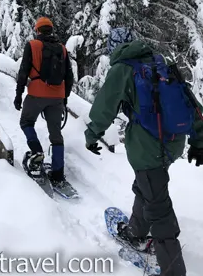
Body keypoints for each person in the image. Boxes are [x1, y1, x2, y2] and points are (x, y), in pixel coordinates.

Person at [84, 27, 203, 276]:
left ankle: (173, 270)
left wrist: (92, 134)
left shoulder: (122, 69)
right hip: (172, 141)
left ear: (113, 48)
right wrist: (199, 141)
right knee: (148, 185)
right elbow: (190, 102)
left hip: (147, 146)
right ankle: (137, 232)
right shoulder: (160, 63)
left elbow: (105, 106)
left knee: (158, 208)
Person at [14, 17, 74, 186]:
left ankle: (37, 151)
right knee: (56, 135)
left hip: (36, 94)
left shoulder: (32, 46)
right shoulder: (62, 49)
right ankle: (58, 174)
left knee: (26, 122)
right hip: (57, 97)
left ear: (37, 30)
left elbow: (23, 72)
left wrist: (18, 95)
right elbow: (69, 76)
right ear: (51, 29)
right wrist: (64, 98)